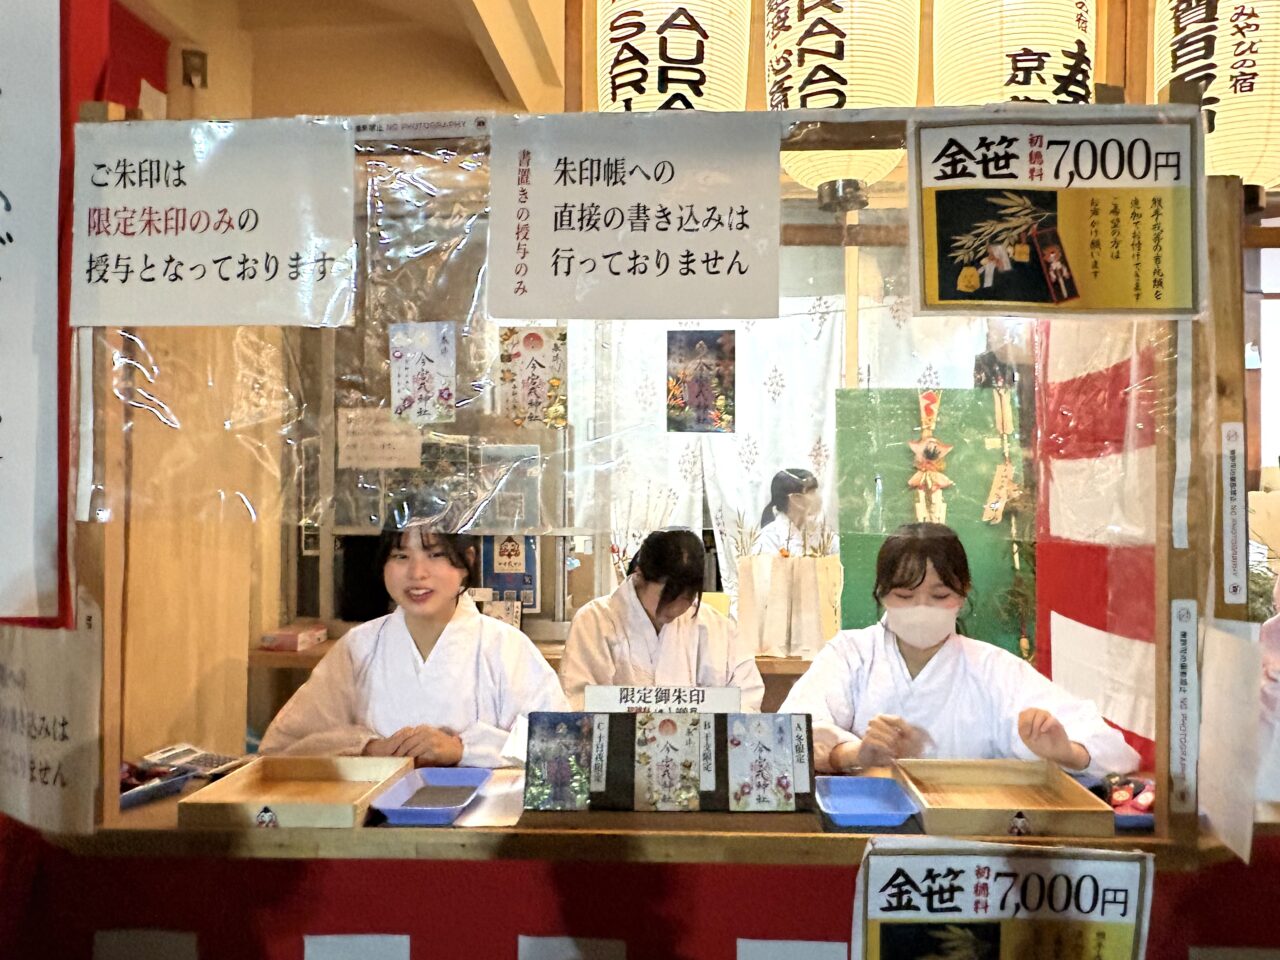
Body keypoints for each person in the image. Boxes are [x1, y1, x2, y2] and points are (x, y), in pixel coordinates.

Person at [780, 522, 1139, 777]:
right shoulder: (851, 654)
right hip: (862, 827)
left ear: (963, 594)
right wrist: (856, 753)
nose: (922, 608)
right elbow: (789, 738)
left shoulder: (993, 668)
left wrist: (1065, 752)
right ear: (881, 594)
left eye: (939, 595)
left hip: (971, 833)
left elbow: (1114, 751)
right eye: (905, 595)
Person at [261, 525, 568, 767]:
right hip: (372, 821)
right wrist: (368, 749)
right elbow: (283, 747)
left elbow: (561, 748)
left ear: (467, 562)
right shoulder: (359, 647)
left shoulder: (506, 647)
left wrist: (463, 749)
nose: (417, 573)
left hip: (485, 822)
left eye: (435, 555)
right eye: (400, 556)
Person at [559, 529, 764, 711]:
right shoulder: (595, 621)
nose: (676, 608)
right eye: (667, 596)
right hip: (618, 741)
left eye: (687, 597)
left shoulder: (718, 628)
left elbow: (746, 700)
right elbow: (576, 700)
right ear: (640, 575)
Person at [756, 468, 839, 558]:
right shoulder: (769, 538)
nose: (818, 498)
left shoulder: (821, 533)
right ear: (796, 499)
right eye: (812, 492)